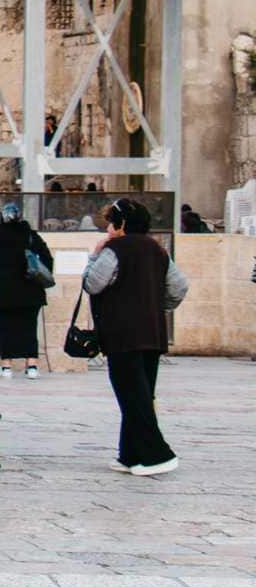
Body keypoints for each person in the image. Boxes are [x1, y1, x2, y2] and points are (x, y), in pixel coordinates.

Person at [84, 198, 189, 476]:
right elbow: (179, 287)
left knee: (132, 396)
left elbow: (93, 284)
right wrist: (154, 307)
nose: (107, 228)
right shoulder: (158, 250)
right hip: (152, 333)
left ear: (121, 225)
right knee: (140, 393)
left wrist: (94, 255)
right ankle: (130, 455)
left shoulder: (114, 249)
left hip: (122, 334)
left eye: (110, 222)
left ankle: (157, 455)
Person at [0, 202, 53, 379]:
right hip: (31, 290)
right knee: (29, 328)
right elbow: (47, 258)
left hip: (5, 289)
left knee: (6, 327)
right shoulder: (30, 235)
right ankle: (31, 365)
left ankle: (6, 365)